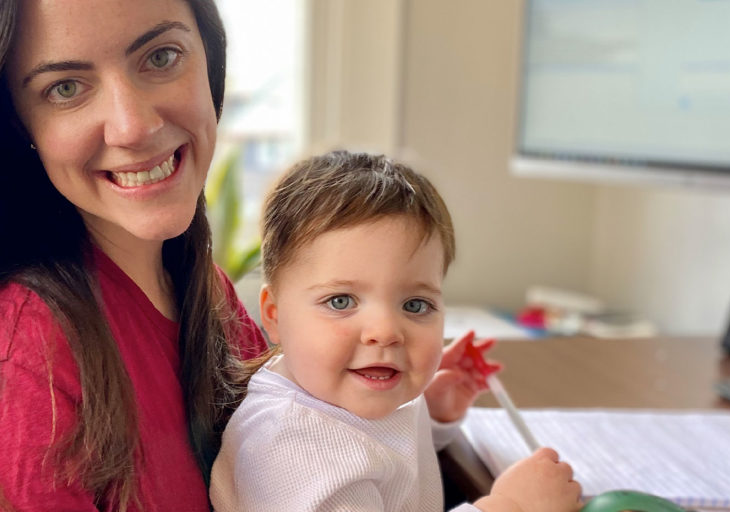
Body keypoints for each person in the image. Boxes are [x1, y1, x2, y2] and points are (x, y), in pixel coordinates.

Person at [0, 1, 268, 511]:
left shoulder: (201, 289)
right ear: (16, 127)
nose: (133, 126)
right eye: (66, 88)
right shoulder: (21, 363)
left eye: (161, 57)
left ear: (208, 57)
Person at [209, 151, 583, 512]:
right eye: (341, 301)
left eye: (415, 305)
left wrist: (431, 414)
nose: (386, 331)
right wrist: (510, 507)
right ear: (273, 315)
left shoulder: (336, 390)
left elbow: (383, 457)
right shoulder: (294, 448)